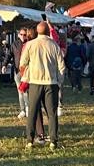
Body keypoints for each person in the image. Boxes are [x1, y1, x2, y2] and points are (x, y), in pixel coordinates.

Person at [19, 21, 64, 149]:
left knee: (32, 112)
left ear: (37, 31)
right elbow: (62, 66)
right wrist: (59, 81)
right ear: (47, 31)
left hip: (35, 83)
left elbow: (22, 64)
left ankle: (29, 140)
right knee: (52, 113)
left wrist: (25, 77)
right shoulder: (54, 45)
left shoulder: (30, 45)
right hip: (51, 83)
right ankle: (53, 141)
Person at [14, 25, 34, 119]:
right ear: (18, 35)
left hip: (26, 71)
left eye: (24, 34)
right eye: (21, 34)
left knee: (26, 91)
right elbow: (9, 55)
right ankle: (22, 109)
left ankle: (28, 108)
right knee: (20, 91)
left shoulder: (30, 44)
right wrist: (5, 65)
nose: (23, 36)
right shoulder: (14, 44)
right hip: (18, 71)